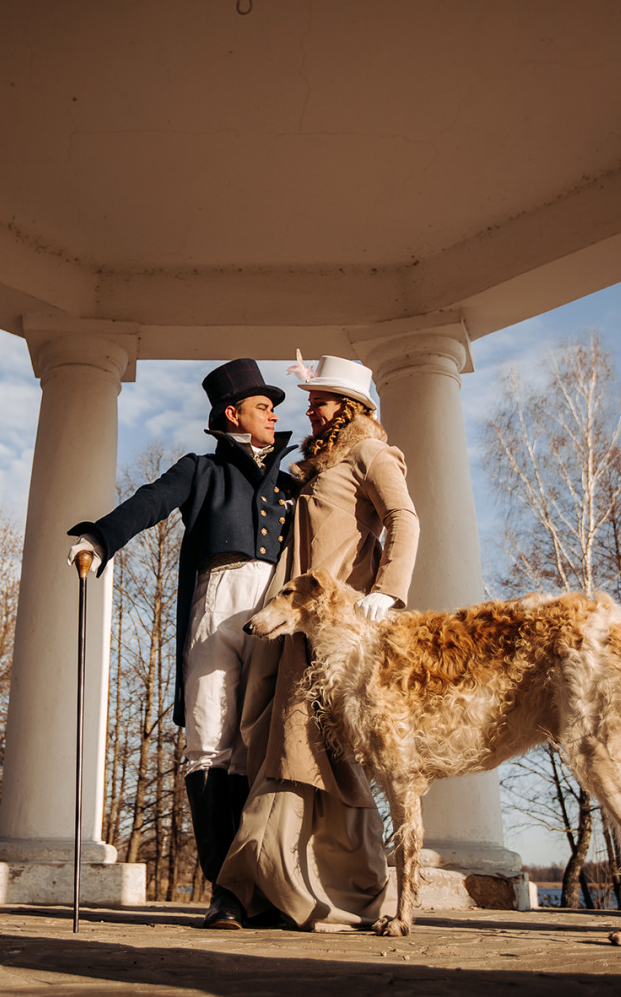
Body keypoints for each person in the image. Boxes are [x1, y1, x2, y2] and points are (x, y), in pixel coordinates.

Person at [65, 358, 296, 928]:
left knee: (259, 749)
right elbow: (148, 502)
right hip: (216, 604)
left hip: (274, 609)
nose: (273, 412)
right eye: (261, 404)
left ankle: (261, 886)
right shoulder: (201, 470)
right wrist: (98, 536)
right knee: (211, 738)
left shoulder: (294, 483)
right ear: (231, 414)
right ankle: (226, 892)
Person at [216, 353, 420, 931]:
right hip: (297, 625)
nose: (310, 411)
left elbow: (405, 519)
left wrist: (387, 592)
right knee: (286, 741)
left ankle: (325, 888)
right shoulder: (320, 462)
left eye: (320, 402)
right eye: (311, 402)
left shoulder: (371, 453)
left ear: (349, 407)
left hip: (342, 630)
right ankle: (278, 887)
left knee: (322, 747)